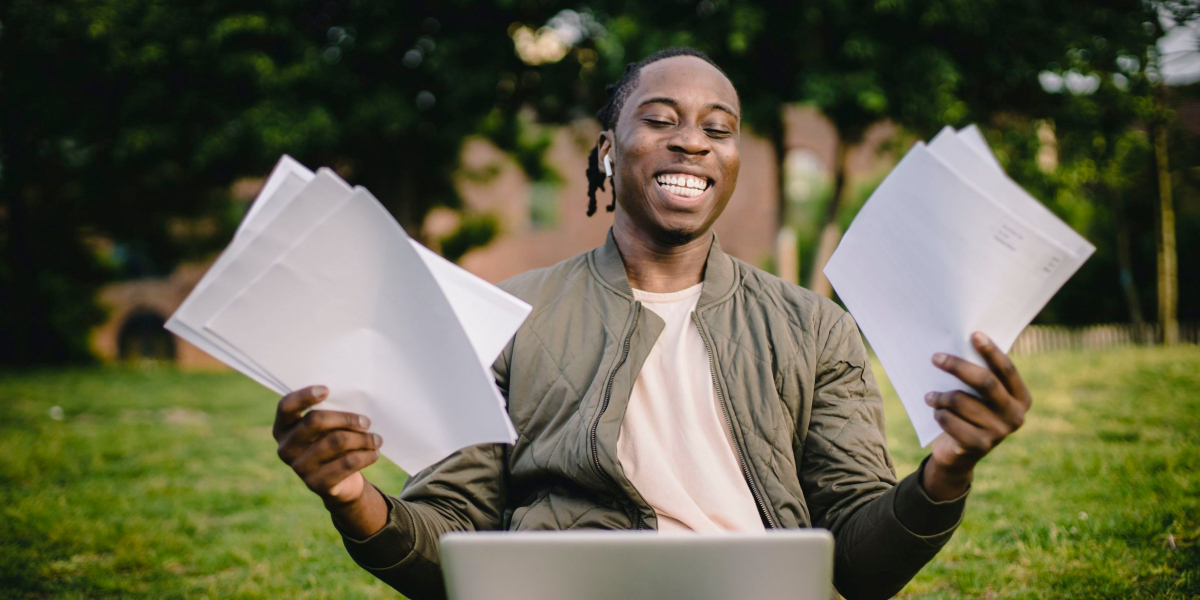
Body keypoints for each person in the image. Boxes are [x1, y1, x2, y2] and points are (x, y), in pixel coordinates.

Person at [270, 47, 1032, 600]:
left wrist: (947, 471)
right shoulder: (505, 318)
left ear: (732, 160)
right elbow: (450, 548)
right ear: (607, 155)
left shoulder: (813, 329)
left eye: (718, 128)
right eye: (659, 119)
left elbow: (863, 565)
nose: (692, 140)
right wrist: (350, 495)